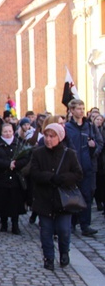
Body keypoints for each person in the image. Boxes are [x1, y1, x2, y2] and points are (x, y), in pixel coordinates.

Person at [29, 124, 83, 270]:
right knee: (46, 231)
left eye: (52, 136)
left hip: (63, 200)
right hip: (44, 198)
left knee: (64, 230)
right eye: (46, 136)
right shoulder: (38, 153)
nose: (48, 139)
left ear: (60, 137)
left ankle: (64, 252)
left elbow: (78, 174)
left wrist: (63, 178)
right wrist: (50, 177)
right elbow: (33, 173)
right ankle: (48, 258)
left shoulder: (69, 154)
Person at [0, 123, 31, 233]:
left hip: (15, 177)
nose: (8, 133)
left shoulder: (19, 143)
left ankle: (15, 225)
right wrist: (7, 164)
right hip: (0, 176)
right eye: (5, 131)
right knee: (2, 201)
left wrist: (16, 164)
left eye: (9, 131)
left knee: (15, 201)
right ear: (1, 132)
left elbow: (26, 158)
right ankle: (3, 224)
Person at [64, 98, 102, 236]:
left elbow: (99, 143)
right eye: (78, 108)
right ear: (72, 110)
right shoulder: (67, 128)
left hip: (88, 167)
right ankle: (72, 223)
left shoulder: (90, 126)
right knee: (73, 196)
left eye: (82, 108)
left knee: (87, 196)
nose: (81, 111)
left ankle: (85, 225)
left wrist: (94, 150)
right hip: (73, 168)